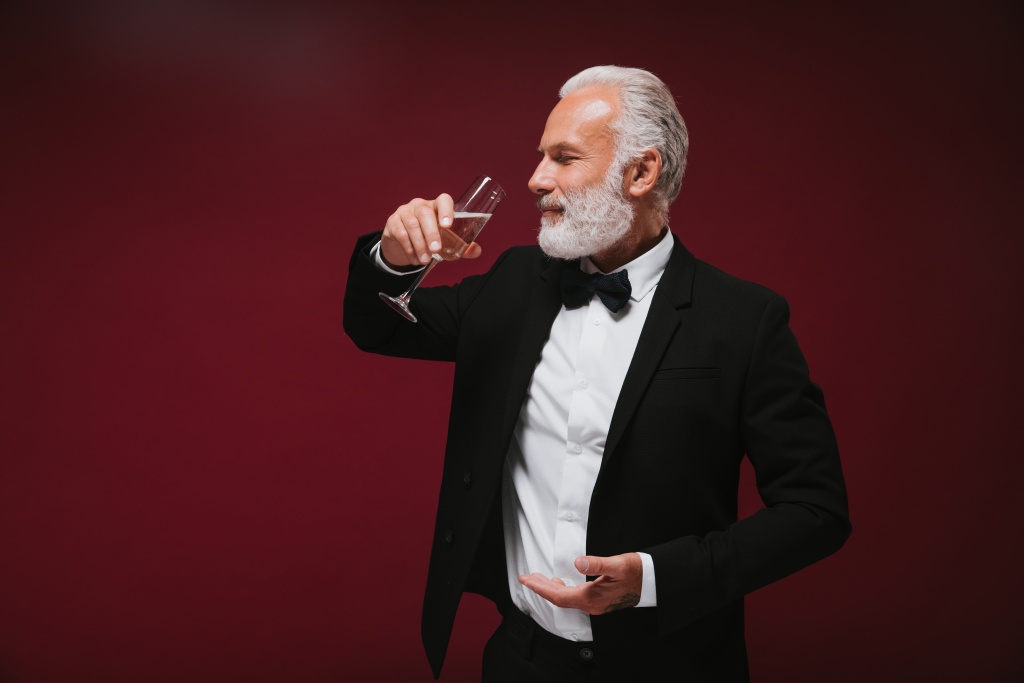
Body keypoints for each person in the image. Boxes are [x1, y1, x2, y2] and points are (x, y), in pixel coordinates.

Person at [343, 65, 850, 682]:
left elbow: (815, 510)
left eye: (564, 158)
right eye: (540, 156)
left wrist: (655, 578)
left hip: (672, 666)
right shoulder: (511, 285)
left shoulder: (744, 320)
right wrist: (392, 257)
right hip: (521, 662)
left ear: (641, 172)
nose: (535, 179)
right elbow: (378, 327)